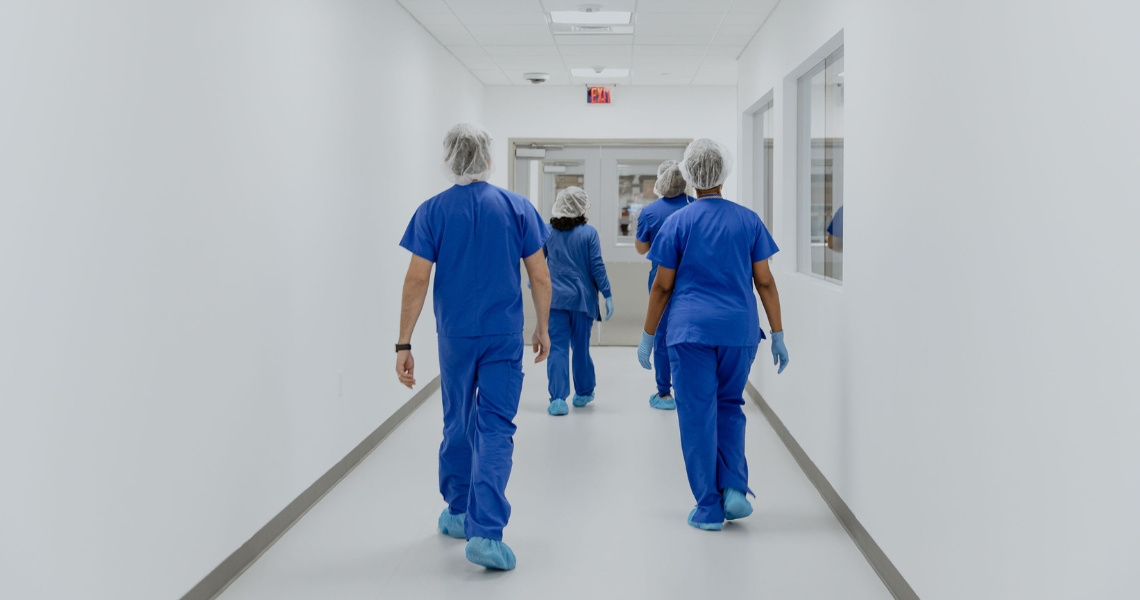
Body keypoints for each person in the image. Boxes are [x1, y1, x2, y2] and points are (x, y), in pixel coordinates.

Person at [397, 123, 552, 570]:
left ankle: (459, 510)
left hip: (456, 337)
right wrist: (542, 327)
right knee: (497, 426)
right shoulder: (517, 208)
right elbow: (540, 276)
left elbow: (416, 280)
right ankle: (486, 533)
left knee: (458, 421)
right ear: (488, 159)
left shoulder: (432, 212)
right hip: (504, 335)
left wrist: (403, 342)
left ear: (449, 159)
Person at [637, 139, 790, 531]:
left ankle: (708, 506)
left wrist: (648, 335)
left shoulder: (678, 223)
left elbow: (662, 287)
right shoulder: (748, 220)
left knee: (696, 416)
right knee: (729, 405)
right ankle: (735, 487)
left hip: (690, 334)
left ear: (690, 174)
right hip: (739, 332)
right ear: (724, 172)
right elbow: (766, 283)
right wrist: (777, 333)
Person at [542, 186, 614, 416]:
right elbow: (597, 267)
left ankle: (557, 400)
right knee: (581, 348)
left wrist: (534, 285)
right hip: (583, 301)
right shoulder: (589, 233)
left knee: (557, 348)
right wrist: (608, 294)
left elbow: (537, 262)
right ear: (581, 208)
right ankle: (583, 392)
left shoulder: (546, 231)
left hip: (554, 300)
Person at [634, 160, 693, 411]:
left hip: (661, 279)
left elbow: (641, 248)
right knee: (690, 335)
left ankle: (664, 393)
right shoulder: (696, 208)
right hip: (693, 282)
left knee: (661, 336)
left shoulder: (650, 212)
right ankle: (689, 390)